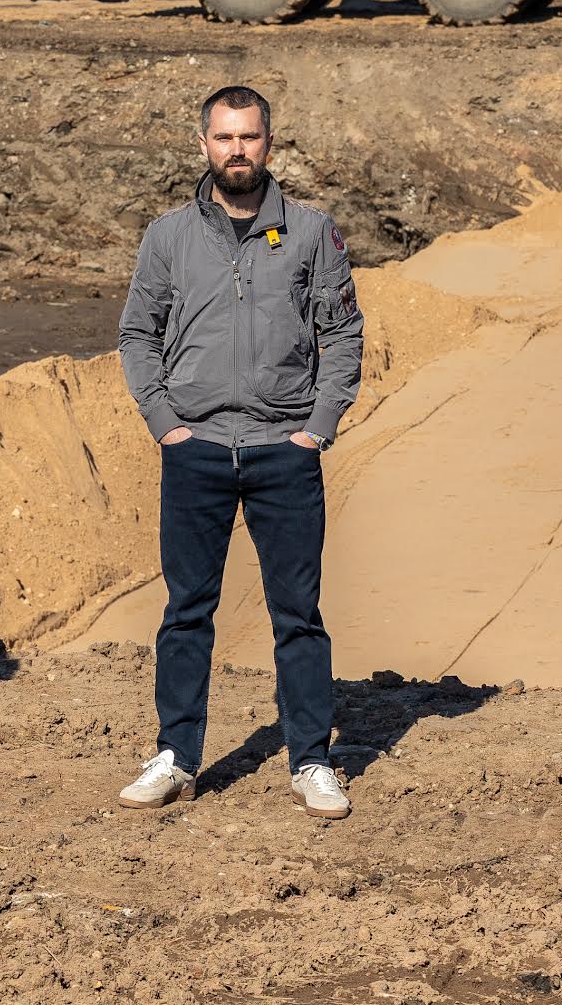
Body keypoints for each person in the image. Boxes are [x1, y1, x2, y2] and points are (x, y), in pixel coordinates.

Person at [115, 85, 366, 819]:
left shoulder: (313, 232)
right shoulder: (168, 237)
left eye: (249, 138)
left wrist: (315, 427)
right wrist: (165, 423)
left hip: (283, 451)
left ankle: (312, 760)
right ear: (203, 144)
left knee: (298, 613)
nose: (236, 151)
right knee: (187, 609)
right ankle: (175, 755)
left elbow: (343, 335)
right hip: (193, 449)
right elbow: (137, 335)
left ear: (268, 142)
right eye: (224, 138)